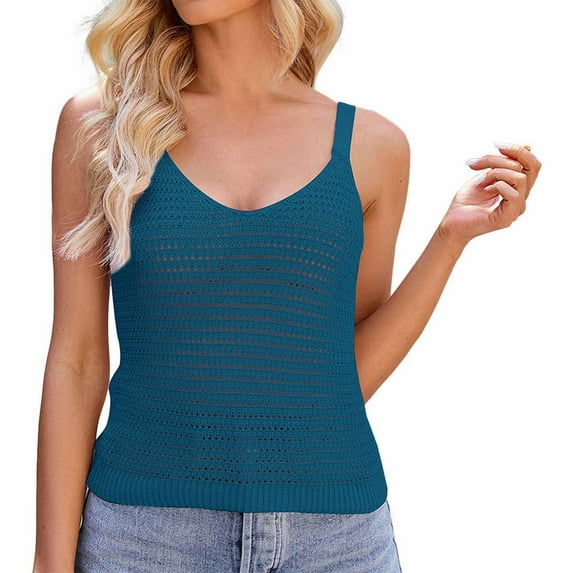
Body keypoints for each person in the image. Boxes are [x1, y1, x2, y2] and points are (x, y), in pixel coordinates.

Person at [32, 0, 541, 571]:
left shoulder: (372, 145)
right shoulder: (102, 125)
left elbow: (342, 379)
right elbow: (76, 360)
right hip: (146, 539)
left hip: (338, 542)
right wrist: (49, 562)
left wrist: (449, 240)